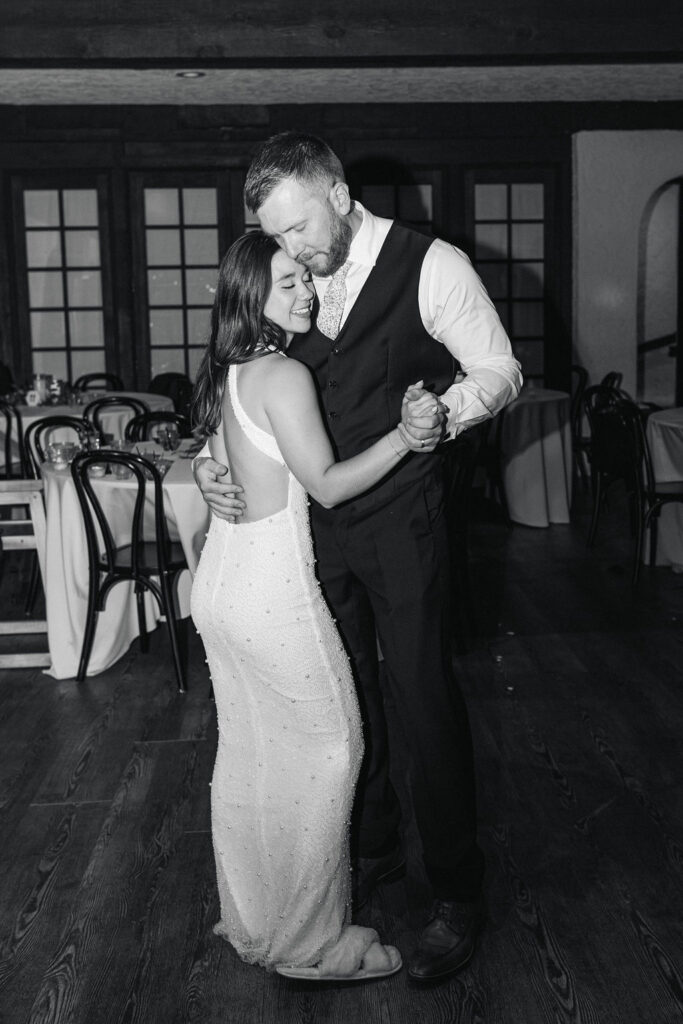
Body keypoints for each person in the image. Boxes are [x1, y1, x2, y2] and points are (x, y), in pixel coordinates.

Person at [194, 132, 523, 981]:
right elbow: (241, 388)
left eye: (299, 229)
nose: (291, 252)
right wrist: (206, 463)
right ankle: (367, 847)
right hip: (309, 529)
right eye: (277, 241)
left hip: (403, 518)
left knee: (419, 693)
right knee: (342, 696)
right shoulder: (283, 289)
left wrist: (442, 414)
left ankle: (453, 891)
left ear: (337, 192)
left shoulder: (432, 264)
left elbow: (498, 368)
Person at [191, 230, 437, 980]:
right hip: (271, 592)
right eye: (287, 282)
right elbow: (327, 483)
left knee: (253, 758)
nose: (305, 291)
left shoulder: (229, 369)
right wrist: (405, 435)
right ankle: (310, 946)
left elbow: (211, 452)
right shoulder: (283, 373)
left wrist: (201, 468)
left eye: (306, 278)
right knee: (335, 752)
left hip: (220, 588)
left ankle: (251, 919)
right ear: (250, 295)